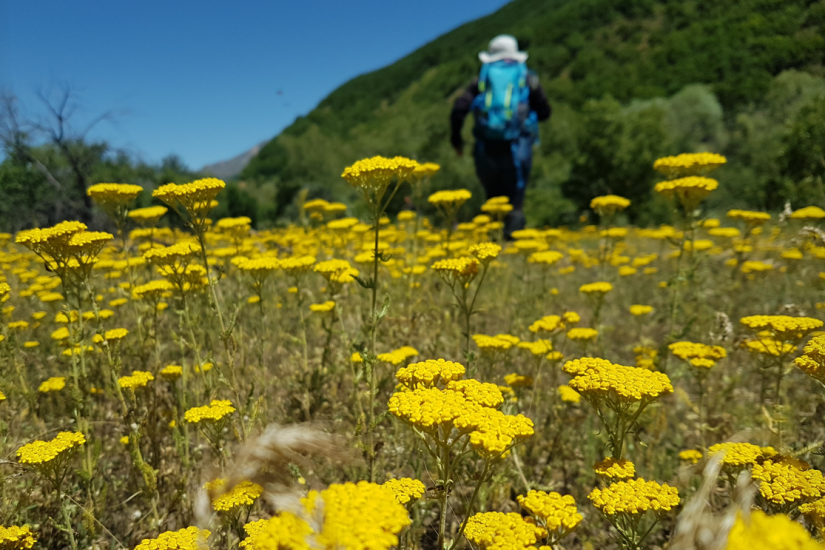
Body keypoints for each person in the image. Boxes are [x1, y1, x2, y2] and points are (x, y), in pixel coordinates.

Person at [450, 35, 551, 237]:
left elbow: (458, 109)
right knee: (515, 201)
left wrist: (457, 140)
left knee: (492, 199)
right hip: (518, 146)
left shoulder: (481, 80)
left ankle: (492, 248)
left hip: (486, 149)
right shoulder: (527, 78)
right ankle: (512, 249)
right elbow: (545, 112)